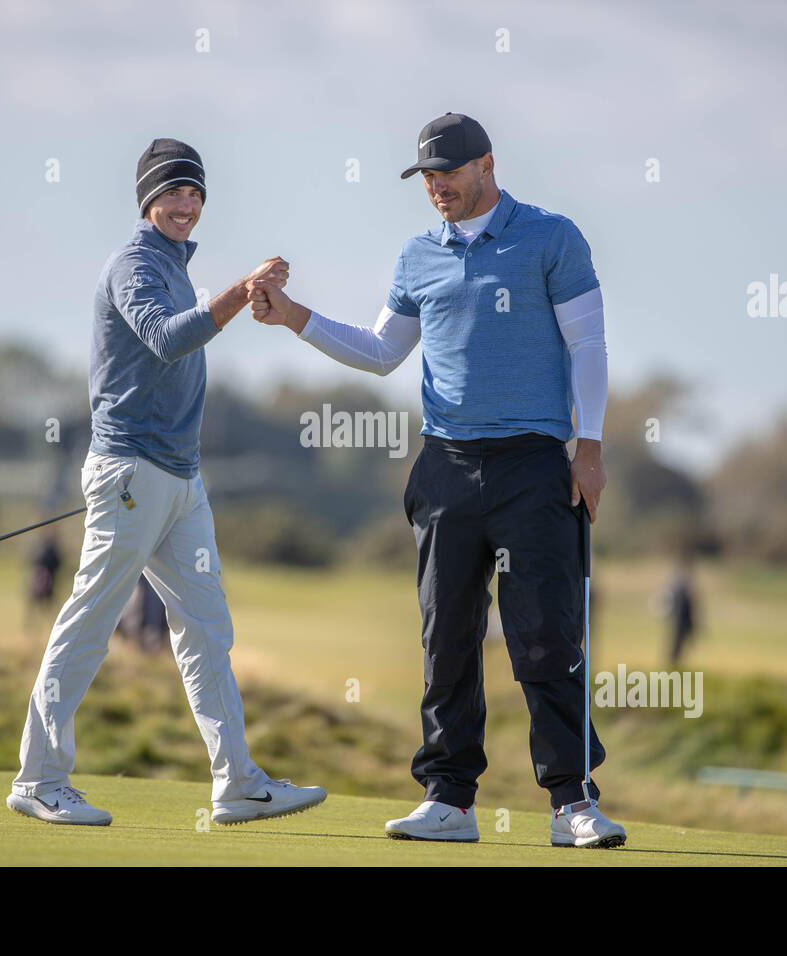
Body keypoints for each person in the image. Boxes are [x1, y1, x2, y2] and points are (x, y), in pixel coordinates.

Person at [248, 113, 625, 848]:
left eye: (447, 172)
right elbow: (385, 349)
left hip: (533, 465)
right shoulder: (418, 255)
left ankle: (572, 803)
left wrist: (590, 448)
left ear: (487, 163)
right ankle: (448, 798)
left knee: (546, 636)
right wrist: (293, 316)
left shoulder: (551, 237)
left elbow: (590, 343)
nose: (436, 187)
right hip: (446, 467)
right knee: (445, 636)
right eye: (426, 176)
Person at [7, 138, 327, 827]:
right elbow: (165, 337)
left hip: (180, 479)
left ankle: (236, 782)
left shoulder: (176, 266)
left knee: (207, 629)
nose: (186, 204)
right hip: (131, 471)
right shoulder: (135, 265)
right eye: (173, 193)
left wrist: (236, 294)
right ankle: (39, 778)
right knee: (90, 622)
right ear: (148, 201)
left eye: (195, 194)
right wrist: (243, 292)